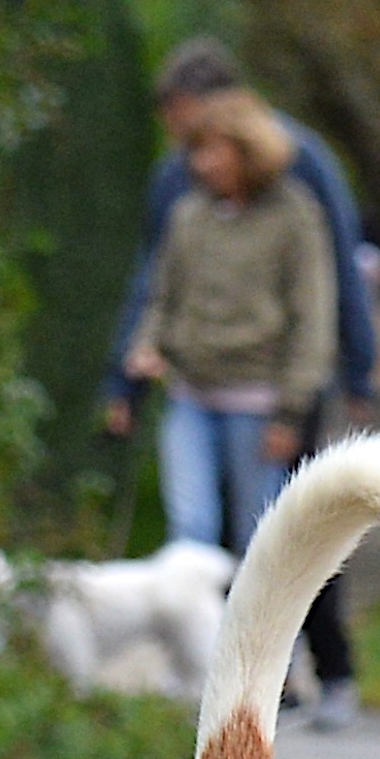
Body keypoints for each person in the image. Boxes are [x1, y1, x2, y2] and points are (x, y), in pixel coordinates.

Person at [105, 40, 376, 730]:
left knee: (282, 535)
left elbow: (330, 285)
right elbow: (158, 285)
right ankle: (213, 675)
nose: (192, 156)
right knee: (199, 534)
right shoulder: (184, 196)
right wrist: (130, 372)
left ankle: (313, 670)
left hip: (275, 389)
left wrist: (350, 372)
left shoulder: (300, 178)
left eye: (198, 135)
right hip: (199, 386)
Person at [123, 91, 336, 570]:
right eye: (198, 151)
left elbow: (312, 317)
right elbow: (162, 296)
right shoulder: (188, 215)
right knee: (190, 529)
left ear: (248, 150)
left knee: (259, 537)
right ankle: (195, 642)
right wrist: (147, 346)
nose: (203, 163)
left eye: (215, 150)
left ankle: (272, 643)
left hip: (259, 403)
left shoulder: (294, 216)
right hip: (190, 395)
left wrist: (292, 411)